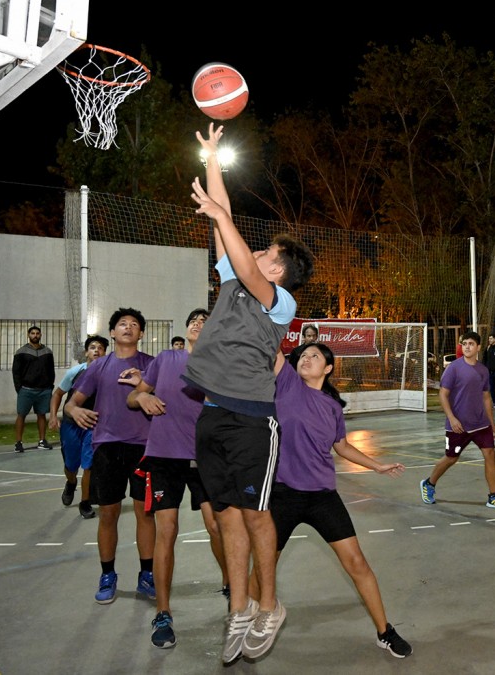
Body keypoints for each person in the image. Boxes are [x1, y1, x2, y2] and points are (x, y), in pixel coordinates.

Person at [182, 123, 315, 664]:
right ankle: (238, 608)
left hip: (253, 418)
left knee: (257, 515)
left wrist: (222, 217)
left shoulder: (279, 301)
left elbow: (231, 233)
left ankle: (269, 605)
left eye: (265, 250)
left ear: (277, 267)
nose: (254, 251)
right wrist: (213, 159)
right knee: (226, 516)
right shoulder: (234, 278)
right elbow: (226, 226)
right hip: (212, 413)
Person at [257, 342, 412, 657]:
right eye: (303, 355)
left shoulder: (332, 406)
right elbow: (271, 345)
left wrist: (377, 465)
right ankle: (247, 619)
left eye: (315, 356)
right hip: (283, 494)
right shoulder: (286, 384)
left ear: (328, 368)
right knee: (263, 564)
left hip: (322, 496)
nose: (306, 358)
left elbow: (341, 446)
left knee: (357, 563)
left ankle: (385, 631)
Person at [123, 309, 228, 649]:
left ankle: (232, 587)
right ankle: (163, 613)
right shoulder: (165, 359)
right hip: (165, 456)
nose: (197, 322)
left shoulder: (218, 363)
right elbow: (133, 396)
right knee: (166, 531)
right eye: (193, 320)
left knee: (216, 527)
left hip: (204, 457)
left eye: (204, 320)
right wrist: (143, 395)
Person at [65, 308, 156, 606]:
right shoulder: (98, 366)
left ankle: (147, 574)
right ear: (113, 333)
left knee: (145, 514)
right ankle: (107, 575)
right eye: (122, 324)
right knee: (108, 514)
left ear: (141, 333)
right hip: (107, 447)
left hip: (143, 448)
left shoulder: (151, 365)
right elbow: (72, 403)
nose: (128, 327)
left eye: (134, 324)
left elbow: (167, 399)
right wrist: (75, 410)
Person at [420, 331, 495, 511]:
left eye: (471, 344)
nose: (467, 347)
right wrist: (452, 418)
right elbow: (443, 394)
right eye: (464, 344)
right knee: (451, 458)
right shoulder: (453, 368)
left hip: (480, 424)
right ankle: (429, 484)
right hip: (458, 425)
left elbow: (486, 397)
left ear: (478, 347)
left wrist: (492, 424)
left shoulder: (483, 370)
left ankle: (494, 496)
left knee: (490, 454)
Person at [49, 335, 109, 519]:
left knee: (88, 465)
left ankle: (85, 502)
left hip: (93, 426)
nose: (96, 350)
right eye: (93, 347)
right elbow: (57, 394)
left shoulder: (108, 375)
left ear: (105, 353)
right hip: (71, 425)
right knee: (71, 465)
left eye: (100, 348)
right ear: (86, 352)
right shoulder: (75, 372)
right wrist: (53, 416)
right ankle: (71, 482)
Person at [12, 325, 55, 452]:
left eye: (37, 333)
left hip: (44, 390)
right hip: (26, 390)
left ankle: (42, 441)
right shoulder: (21, 352)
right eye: (32, 333)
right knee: (21, 415)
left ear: (40, 335)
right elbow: (16, 372)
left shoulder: (47, 351)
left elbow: (51, 370)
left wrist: (50, 386)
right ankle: (18, 443)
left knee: (41, 415)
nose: (35, 335)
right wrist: (19, 389)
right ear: (28, 335)